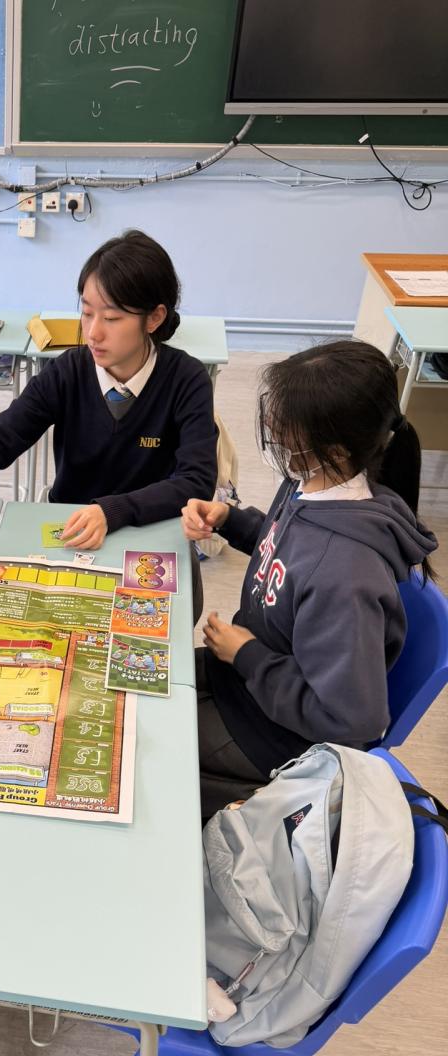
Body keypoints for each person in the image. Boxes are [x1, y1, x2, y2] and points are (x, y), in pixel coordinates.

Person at [181, 340, 438, 824]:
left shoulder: (346, 575)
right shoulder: (309, 482)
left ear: (334, 449)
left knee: (139, 745)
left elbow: (350, 722)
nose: (274, 437)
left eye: (284, 433)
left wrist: (247, 654)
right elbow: (288, 548)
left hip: (271, 731)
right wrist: (232, 521)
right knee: (129, 682)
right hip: (242, 679)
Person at [0, 230, 218, 555]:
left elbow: (195, 480)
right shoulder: (68, 371)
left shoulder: (186, 379)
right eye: (87, 313)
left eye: (112, 318)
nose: (93, 332)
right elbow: (0, 437)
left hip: (149, 533)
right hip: (70, 529)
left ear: (154, 318)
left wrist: (112, 511)